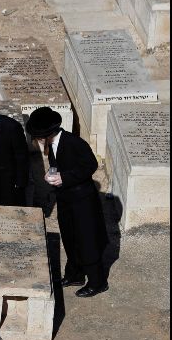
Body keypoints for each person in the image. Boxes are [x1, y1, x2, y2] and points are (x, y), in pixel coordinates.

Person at [26, 107, 109, 298]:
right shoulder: (53, 144)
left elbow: (90, 165)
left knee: (86, 240)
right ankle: (75, 275)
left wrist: (65, 177)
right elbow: (59, 164)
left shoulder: (73, 142)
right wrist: (52, 173)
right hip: (65, 200)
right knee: (70, 238)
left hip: (82, 202)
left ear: (47, 133)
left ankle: (98, 282)